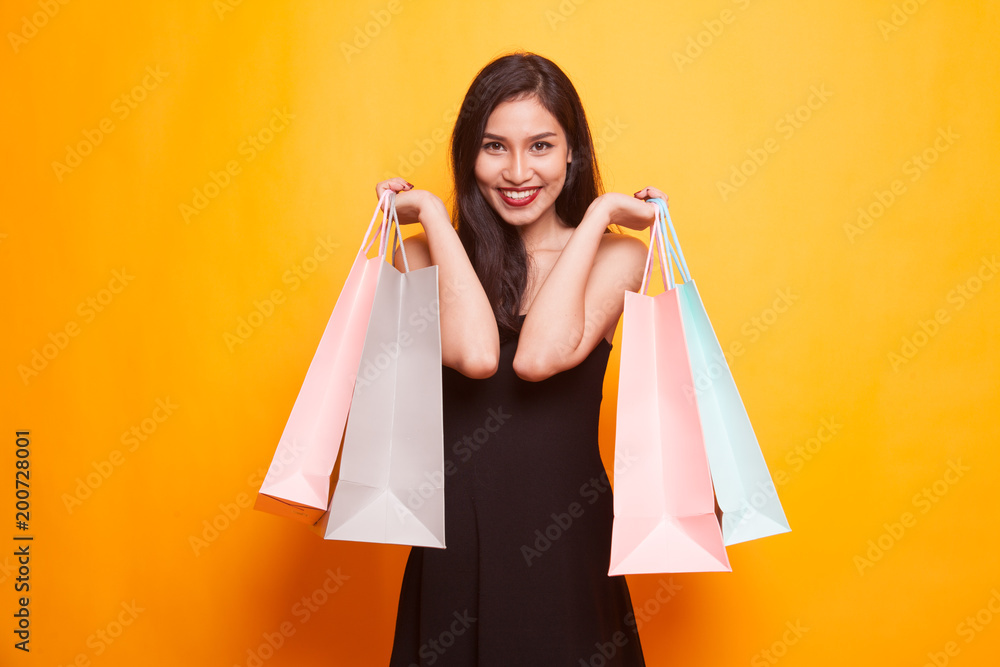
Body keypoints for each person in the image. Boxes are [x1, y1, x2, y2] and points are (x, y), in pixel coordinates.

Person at [375, 51, 666, 666]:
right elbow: (479, 356)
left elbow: (538, 357)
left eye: (540, 146)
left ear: (571, 155)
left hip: (566, 543)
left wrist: (600, 215)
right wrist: (430, 212)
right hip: (453, 539)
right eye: (493, 146)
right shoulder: (424, 254)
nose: (516, 171)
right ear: (468, 156)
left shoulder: (619, 258)